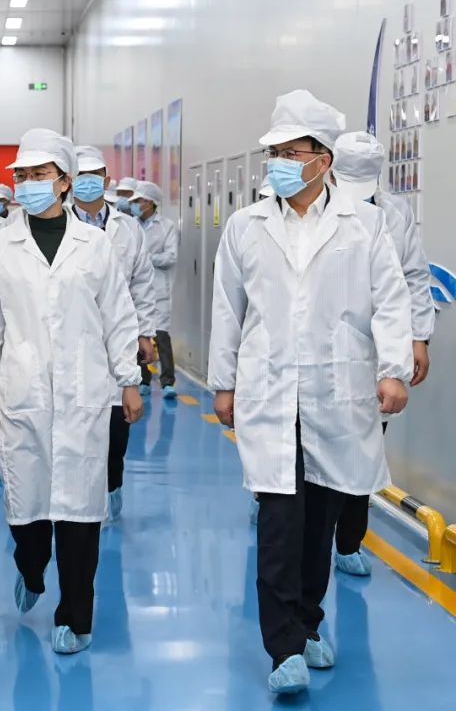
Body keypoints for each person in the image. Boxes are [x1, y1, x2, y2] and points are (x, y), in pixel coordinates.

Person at [209, 89, 412, 695]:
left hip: (335, 392)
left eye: (290, 152)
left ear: (322, 160)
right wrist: (224, 383)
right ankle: (283, 648)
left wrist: (394, 368)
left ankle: (307, 621)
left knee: (319, 522)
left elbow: (391, 301)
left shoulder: (364, 224)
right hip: (270, 393)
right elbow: (227, 309)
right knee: (279, 522)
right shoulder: (246, 226)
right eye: (273, 152)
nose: (278, 162)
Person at [0, 129, 144, 654]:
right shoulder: (1, 246)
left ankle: (76, 619)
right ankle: (31, 567)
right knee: (28, 505)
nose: (28, 183)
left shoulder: (96, 245)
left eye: (39, 174)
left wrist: (128, 380)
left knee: (82, 510)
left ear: (64, 181)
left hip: (86, 389)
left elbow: (117, 315)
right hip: (22, 390)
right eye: (22, 175)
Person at [331, 131, 434, 576]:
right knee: (312, 444)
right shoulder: (309, 210)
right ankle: (285, 512)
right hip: (321, 346)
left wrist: (418, 338)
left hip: (377, 347)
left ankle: (348, 541)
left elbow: (413, 275)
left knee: (366, 446)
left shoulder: (395, 213)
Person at [70, 145, 158, 522]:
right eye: (80, 175)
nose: (87, 182)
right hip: (72, 337)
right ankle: (81, 497)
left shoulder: (128, 227)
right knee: (76, 424)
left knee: (116, 424)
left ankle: (111, 486)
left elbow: (142, 282)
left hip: (119, 337)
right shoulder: (60, 225)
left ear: (106, 180)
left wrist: (145, 333)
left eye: (94, 176)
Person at [132, 181, 179, 399]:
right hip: (136, 288)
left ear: (150, 203)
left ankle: (168, 381)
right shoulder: (130, 225)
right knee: (138, 335)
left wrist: (144, 259)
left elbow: (171, 256)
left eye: (139, 200)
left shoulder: (167, 226)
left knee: (161, 335)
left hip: (158, 287)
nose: (135, 204)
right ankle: (143, 379)